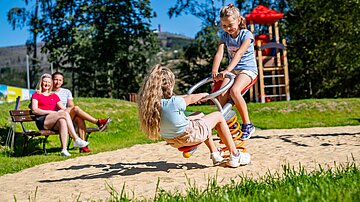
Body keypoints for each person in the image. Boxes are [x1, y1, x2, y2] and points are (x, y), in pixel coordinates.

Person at [137, 65, 250, 168]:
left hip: (172, 140)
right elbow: (190, 98)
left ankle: (215, 154)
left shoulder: (153, 105)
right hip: (188, 136)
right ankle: (235, 155)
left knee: (199, 116)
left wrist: (193, 98)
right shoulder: (176, 102)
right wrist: (204, 95)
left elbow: (185, 98)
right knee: (218, 116)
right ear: (170, 85)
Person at [211, 3, 258, 140]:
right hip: (234, 70)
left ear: (238, 20)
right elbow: (219, 53)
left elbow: (239, 54)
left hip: (247, 69)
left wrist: (226, 70)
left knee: (234, 91)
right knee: (222, 95)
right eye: (224, 26)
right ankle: (228, 125)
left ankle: (248, 124)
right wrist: (215, 71)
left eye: (230, 25)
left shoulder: (246, 35)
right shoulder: (225, 36)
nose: (228, 28)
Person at [52, 71, 111, 153]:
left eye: (60, 80)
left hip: (67, 116)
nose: (57, 82)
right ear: (52, 80)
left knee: (79, 117)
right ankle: (98, 122)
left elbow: (71, 106)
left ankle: (83, 146)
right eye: (55, 80)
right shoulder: (49, 92)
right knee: (76, 110)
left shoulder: (66, 92)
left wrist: (67, 109)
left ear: (62, 81)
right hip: (55, 118)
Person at [31, 73, 89, 156]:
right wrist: (51, 112)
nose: (47, 84)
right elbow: (34, 110)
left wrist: (72, 110)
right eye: (45, 82)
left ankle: (64, 150)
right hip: (42, 120)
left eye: (49, 82)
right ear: (41, 83)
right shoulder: (36, 94)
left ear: (51, 84)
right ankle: (76, 139)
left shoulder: (54, 96)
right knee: (63, 114)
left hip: (53, 120)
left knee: (62, 121)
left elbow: (63, 109)